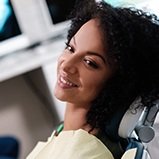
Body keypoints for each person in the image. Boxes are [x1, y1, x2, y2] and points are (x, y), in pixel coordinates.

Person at [26, 0, 159, 158]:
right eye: (71, 48)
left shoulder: (83, 154)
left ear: (120, 83)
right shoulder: (66, 132)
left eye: (89, 62)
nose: (66, 65)